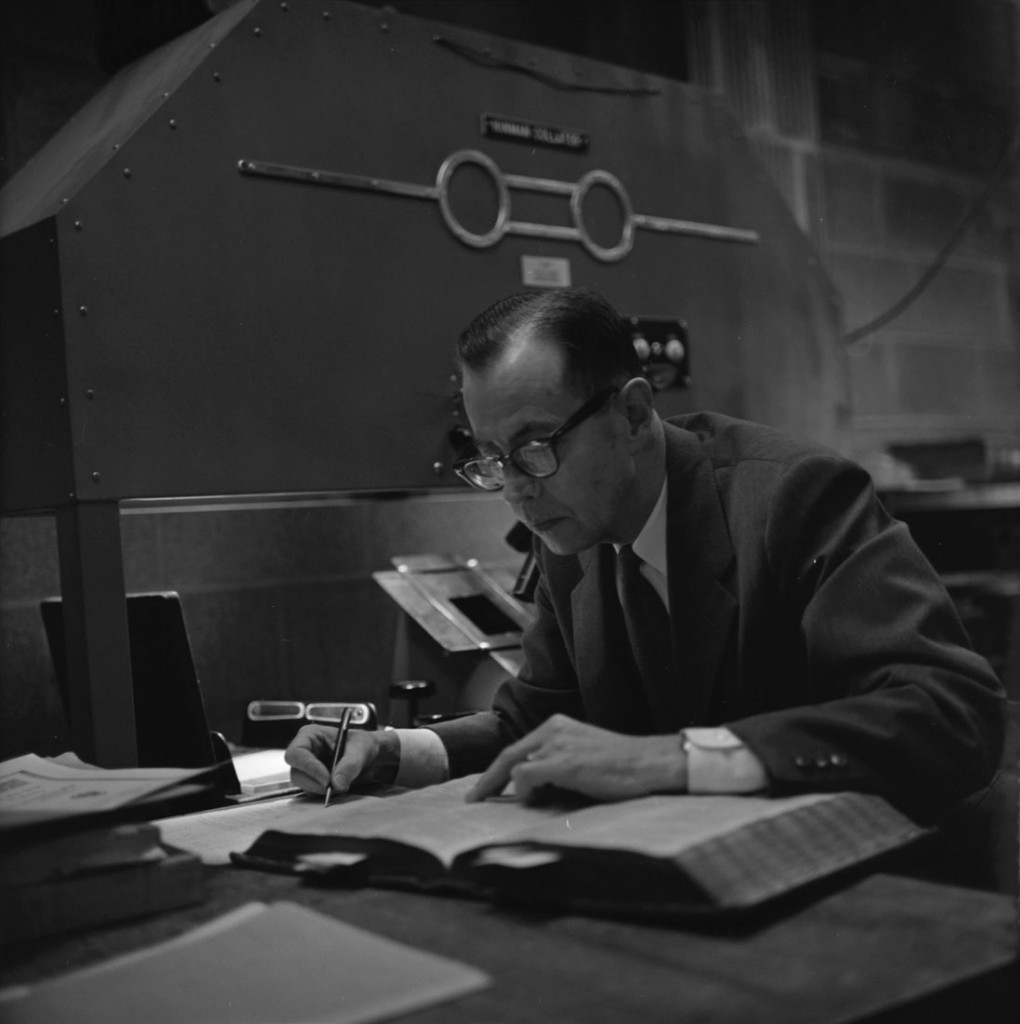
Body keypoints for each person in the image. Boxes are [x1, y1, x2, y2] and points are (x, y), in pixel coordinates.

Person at [286, 287, 1006, 817]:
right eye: (493, 459)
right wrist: (392, 753)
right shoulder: (575, 531)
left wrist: (676, 755)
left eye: (535, 448)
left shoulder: (792, 499)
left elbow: (950, 715)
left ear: (632, 413)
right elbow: (530, 721)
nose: (514, 489)